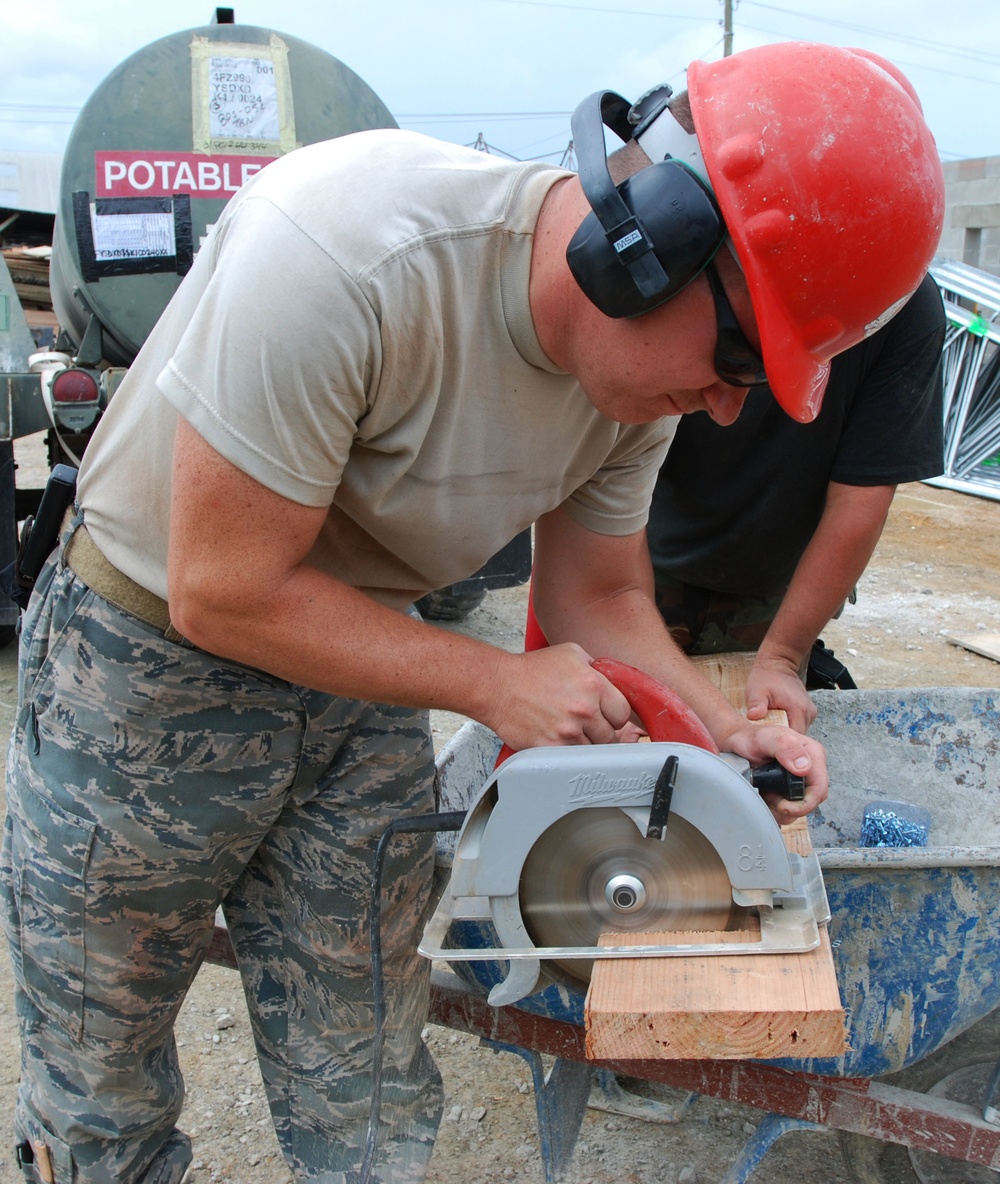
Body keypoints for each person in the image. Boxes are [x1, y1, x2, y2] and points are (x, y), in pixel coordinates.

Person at [0, 41, 943, 1184]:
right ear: (644, 242)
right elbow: (222, 586)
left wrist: (718, 726)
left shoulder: (635, 388)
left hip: (365, 666)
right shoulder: (348, 252)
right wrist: (495, 681)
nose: (729, 404)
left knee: (370, 1081)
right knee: (105, 1083)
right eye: (740, 353)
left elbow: (596, 593)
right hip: (143, 667)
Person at [647, 271, 946, 733]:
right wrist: (607, 597)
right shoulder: (702, 252)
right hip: (644, 561)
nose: (728, 407)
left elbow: (859, 501)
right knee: (625, 739)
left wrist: (783, 657)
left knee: (755, 752)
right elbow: (603, 466)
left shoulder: (902, 301)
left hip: (780, 588)